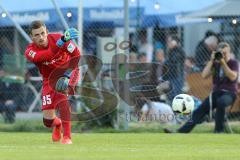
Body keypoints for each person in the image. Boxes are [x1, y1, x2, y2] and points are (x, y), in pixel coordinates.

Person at [25, 20, 81, 144]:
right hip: (48, 79)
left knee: (62, 96)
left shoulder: (58, 38)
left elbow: (76, 55)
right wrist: (61, 41)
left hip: (68, 71)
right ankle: (58, 124)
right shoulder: (30, 51)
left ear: (47, 32)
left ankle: (67, 137)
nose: (41, 37)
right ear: (31, 37)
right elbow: (47, 56)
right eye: (36, 35)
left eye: (42, 33)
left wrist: (67, 75)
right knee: (47, 121)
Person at [164, 42, 239, 133]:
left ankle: (219, 131)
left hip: (229, 93)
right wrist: (211, 61)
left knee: (221, 102)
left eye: (225, 53)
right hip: (216, 93)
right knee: (200, 109)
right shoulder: (215, 63)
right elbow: (204, 75)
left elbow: (233, 77)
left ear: (229, 52)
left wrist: (223, 63)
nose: (223, 55)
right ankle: (181, 131)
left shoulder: (233, 63)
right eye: (221, 53)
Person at [163, 35, 186, 102]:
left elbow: (174, 60)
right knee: (170, 96)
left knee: (176, 95)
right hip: (170, 77)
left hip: (177, 77)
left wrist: (176, 46)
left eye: (170, 41)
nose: (168, 43)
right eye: (168, 41)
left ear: (175, 42)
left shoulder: (179, 51)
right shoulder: (170, 51)